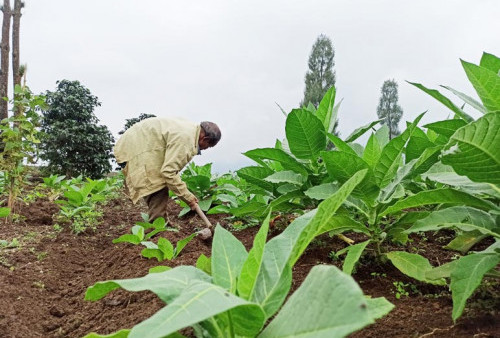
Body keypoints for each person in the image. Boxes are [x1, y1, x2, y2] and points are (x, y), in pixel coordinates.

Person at [114, 117, 221, 222]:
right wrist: (188, 198)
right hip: (136, 147)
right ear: (205, 139)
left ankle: (161, 223)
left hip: (135, 143)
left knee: (159, 182)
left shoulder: (190, 130)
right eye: (208, 146)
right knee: (157, 185)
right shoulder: (186, 140)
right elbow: (168, 172)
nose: (205, 149)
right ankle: (158, 227)